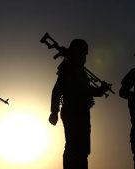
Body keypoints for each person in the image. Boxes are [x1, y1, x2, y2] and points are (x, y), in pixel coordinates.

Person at [49, 39, 109, 169]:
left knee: (82, 150)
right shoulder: (68, 68)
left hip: (82, 112)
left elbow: (86, 91)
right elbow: (57, 90)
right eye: (83, 54)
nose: (84, 57)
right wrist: (54, 112)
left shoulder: (79, 70)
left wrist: (100, 90)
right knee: (73, 147)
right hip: (72, 110)